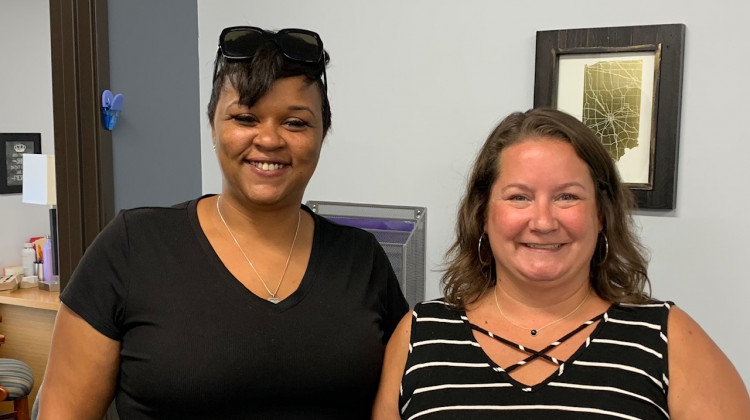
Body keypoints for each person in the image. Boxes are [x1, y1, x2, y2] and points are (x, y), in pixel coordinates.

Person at [37, 26, 408, 419]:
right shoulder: (133, 247)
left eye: (295, 122)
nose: (269, 139)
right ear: (213, 125)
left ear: (322, 133)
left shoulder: (362, 259)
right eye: (245, 117)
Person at [373, 108, 750, 419]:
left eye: (567, 196)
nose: (543, 221)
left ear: (601, 215)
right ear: (483, 214)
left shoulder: (667, 338)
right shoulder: (419, 334)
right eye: (519, 197)